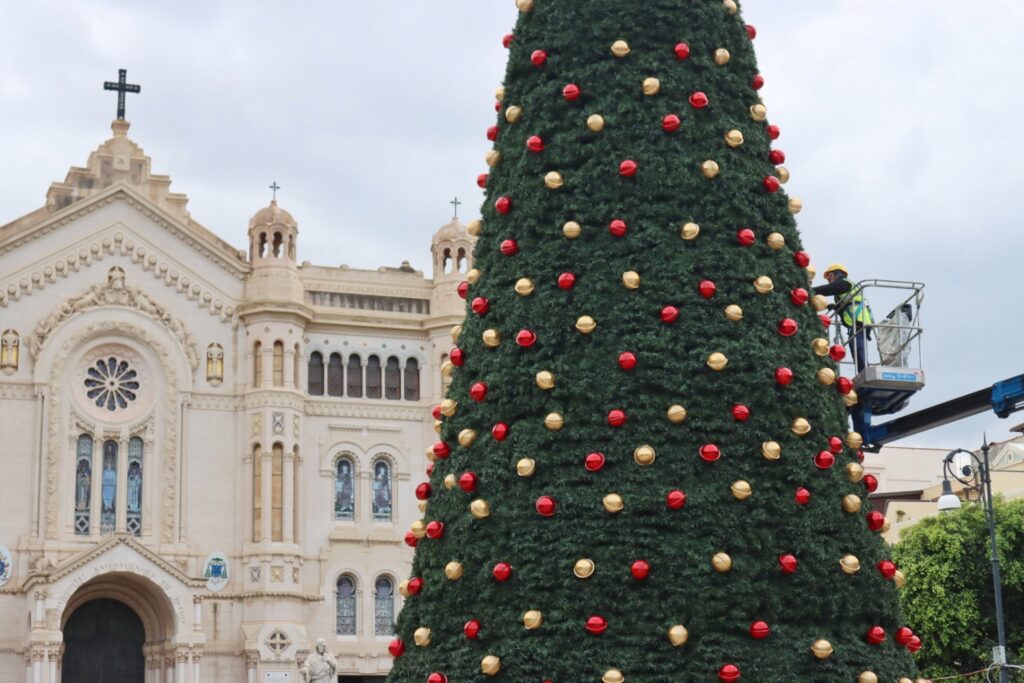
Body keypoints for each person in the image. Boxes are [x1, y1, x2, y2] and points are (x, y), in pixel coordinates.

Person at [812, 264, 873, 373]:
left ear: (836, 274)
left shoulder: (845, 283)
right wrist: (834, 307)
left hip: (860, 320)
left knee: (857, 346)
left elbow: (829, 289)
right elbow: (846, 304)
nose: (829, 280)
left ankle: (864, 372)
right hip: (858, 321)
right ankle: (863, 371)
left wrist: (810, 290)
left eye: (830, 276)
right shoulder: (845, 288)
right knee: (854, 346)